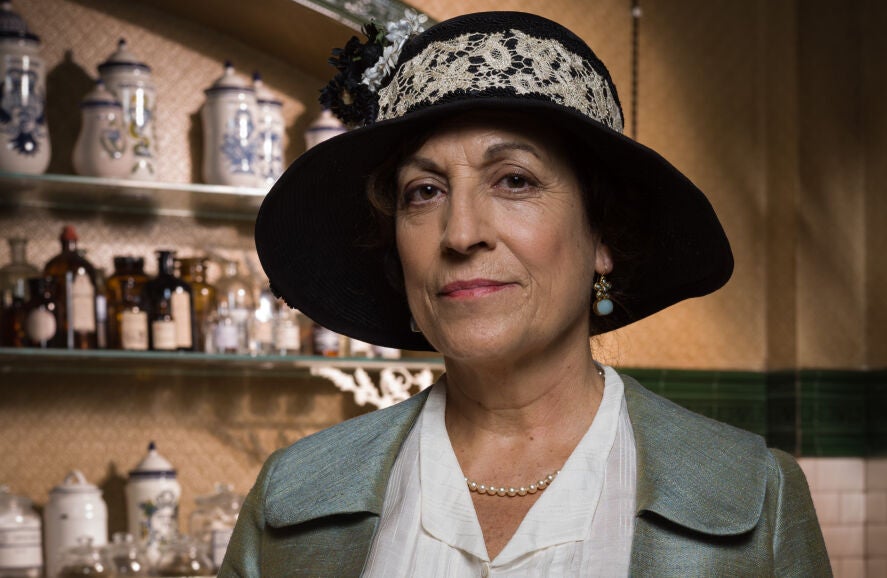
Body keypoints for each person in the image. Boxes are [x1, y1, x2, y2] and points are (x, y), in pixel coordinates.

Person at [220, 10, 831, 577]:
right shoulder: (290, 499)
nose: (461, 234)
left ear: (602, 235)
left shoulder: (755, 495)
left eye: (514, 180)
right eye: (424, 192)